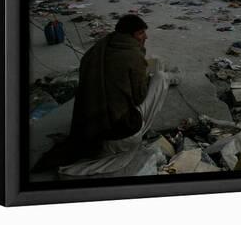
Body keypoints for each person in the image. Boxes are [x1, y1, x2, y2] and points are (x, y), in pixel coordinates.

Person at [33, 15, 171, 175]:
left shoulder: (97, 49)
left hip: (90, 131)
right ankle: (141, 130)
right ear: (128, 35)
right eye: (141, 33)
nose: (145, 37)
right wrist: (144, 78)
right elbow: (139, 98)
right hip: (120, 137)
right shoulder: (133, 56)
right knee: (160, 78)